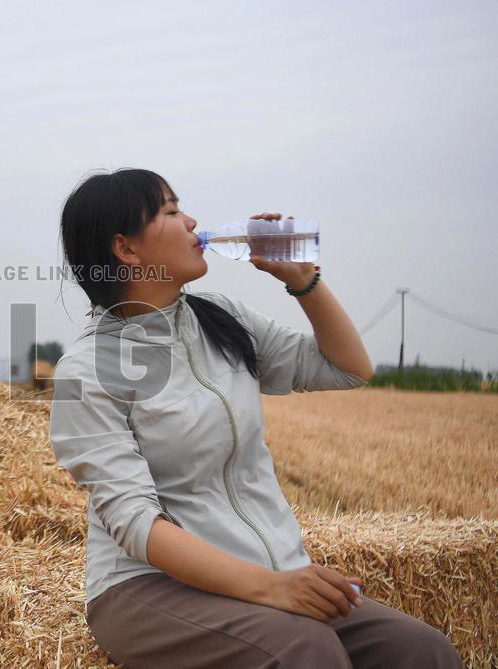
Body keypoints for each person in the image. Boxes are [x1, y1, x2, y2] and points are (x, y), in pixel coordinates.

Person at [49, 168, 464, 668]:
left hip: (269, 574)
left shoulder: (223, 319)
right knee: (305, 650)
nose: (192, 221)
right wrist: (272, 589)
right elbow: (137, 524)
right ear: (127, 249)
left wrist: (303, 281)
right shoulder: (87, 370)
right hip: (146, 589)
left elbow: (348, 368)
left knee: (422, 650)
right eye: (172, 212)